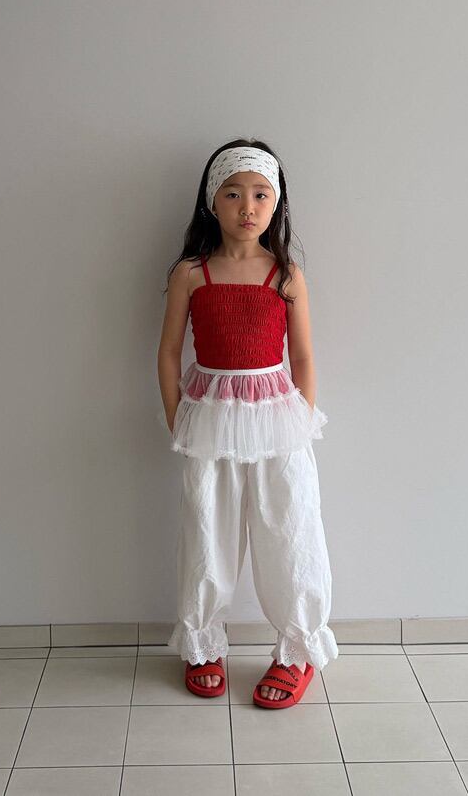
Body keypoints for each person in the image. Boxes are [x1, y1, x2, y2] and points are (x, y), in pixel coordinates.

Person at [157, 139, 338, 709]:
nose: (247, 207)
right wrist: (177, 418)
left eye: (261, 194)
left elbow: (303, 357)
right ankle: (202, 641)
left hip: (278, 420)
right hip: (209, 419)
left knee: (289, 526)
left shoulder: (286, 275)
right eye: (233, 194)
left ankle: (298, 649)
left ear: (276, 203)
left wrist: (299, 420)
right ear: (212, 201)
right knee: (207, 528)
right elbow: (169, 352)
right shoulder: (192, 274)